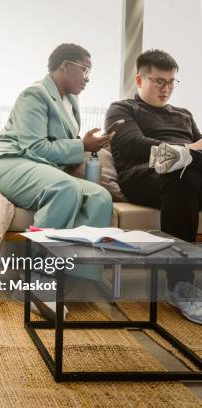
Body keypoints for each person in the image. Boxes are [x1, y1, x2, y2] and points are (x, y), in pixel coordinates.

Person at [105, 49, 201, 324]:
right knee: (182, 174)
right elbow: (131, 144)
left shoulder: (183, 114)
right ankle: (179, 284)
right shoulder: (122, 109)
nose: (166, 88)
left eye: (171, 82)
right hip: (144, 175)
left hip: (188, 175)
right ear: (139, 80)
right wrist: (187, 150)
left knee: (187, 170)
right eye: (159, 81)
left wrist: (188, 153)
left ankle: (182, 159)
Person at [0, 43, 113, 231]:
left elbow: (60, 144)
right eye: (85, 70)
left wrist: (87, 145)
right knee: (66, 188)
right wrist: (82, 146)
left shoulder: (71, 101)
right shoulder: (35, 94)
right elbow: (35, 147)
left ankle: (76, 260)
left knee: (100, 198)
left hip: (42, 169)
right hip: (10, 163)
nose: (87, 79)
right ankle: (42, 260)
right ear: (65, 65)